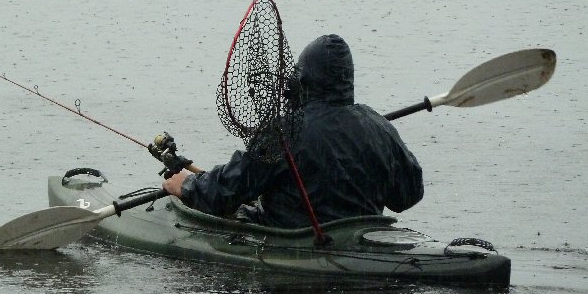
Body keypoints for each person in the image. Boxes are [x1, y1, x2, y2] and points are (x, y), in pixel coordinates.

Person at [162, 34, 424, 228]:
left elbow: (231, 189)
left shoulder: (286, 131)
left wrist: (187, 185)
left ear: (304, 80)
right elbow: (408, 196)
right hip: (361, 241)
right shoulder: (379, 126)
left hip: (298, 242)